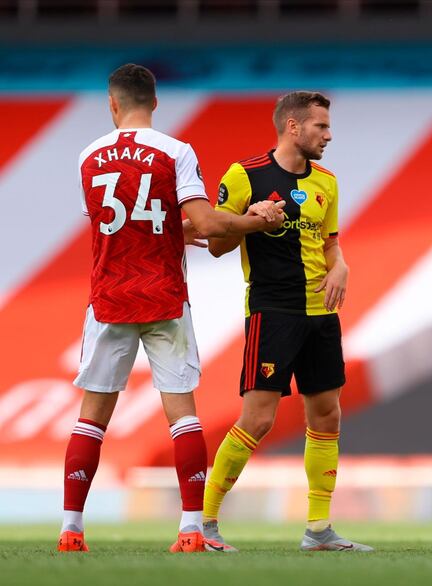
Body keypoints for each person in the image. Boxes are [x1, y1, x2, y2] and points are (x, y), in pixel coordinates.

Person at [59, 63, 284, 553]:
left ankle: (71, 530)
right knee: (182, 416)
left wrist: (190, 232)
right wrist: (255, 222)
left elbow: (116, 226)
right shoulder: (175, 151)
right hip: (163, 296)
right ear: (155, 102)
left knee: (90, 419)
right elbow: (206, 221)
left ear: (112, 104)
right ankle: (188, 530)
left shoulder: (88, 155)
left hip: (110, 296)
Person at [200, 91, 372, 552]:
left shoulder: (327, 183)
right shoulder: (244, 176)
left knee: (327, 415)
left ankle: (318, 529)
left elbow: (330, 243)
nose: (328, 135)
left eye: (328, 127)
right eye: (320, 126)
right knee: (257, 420)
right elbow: (215, 243)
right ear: (293, 127)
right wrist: (252, 220)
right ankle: (204, 524)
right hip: (272, 313)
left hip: (321, 315)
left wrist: (342, 266)